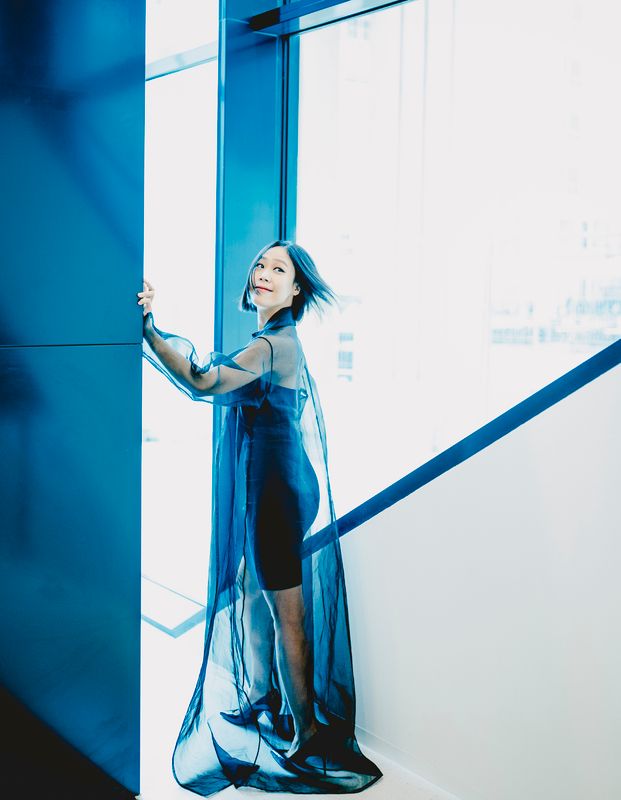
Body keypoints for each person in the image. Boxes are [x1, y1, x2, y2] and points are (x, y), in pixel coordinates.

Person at [139, 240, 383, 795]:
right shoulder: (273, 342)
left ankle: (307, 733)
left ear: (296, 290)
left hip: (277, 497)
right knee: (262, 598)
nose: (264, 273)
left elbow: (202, 381)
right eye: (261, 265)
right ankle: (274, 703)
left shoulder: (274, 345)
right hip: (281, 486)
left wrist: (150, 330)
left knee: (286, 615)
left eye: (279, 269)